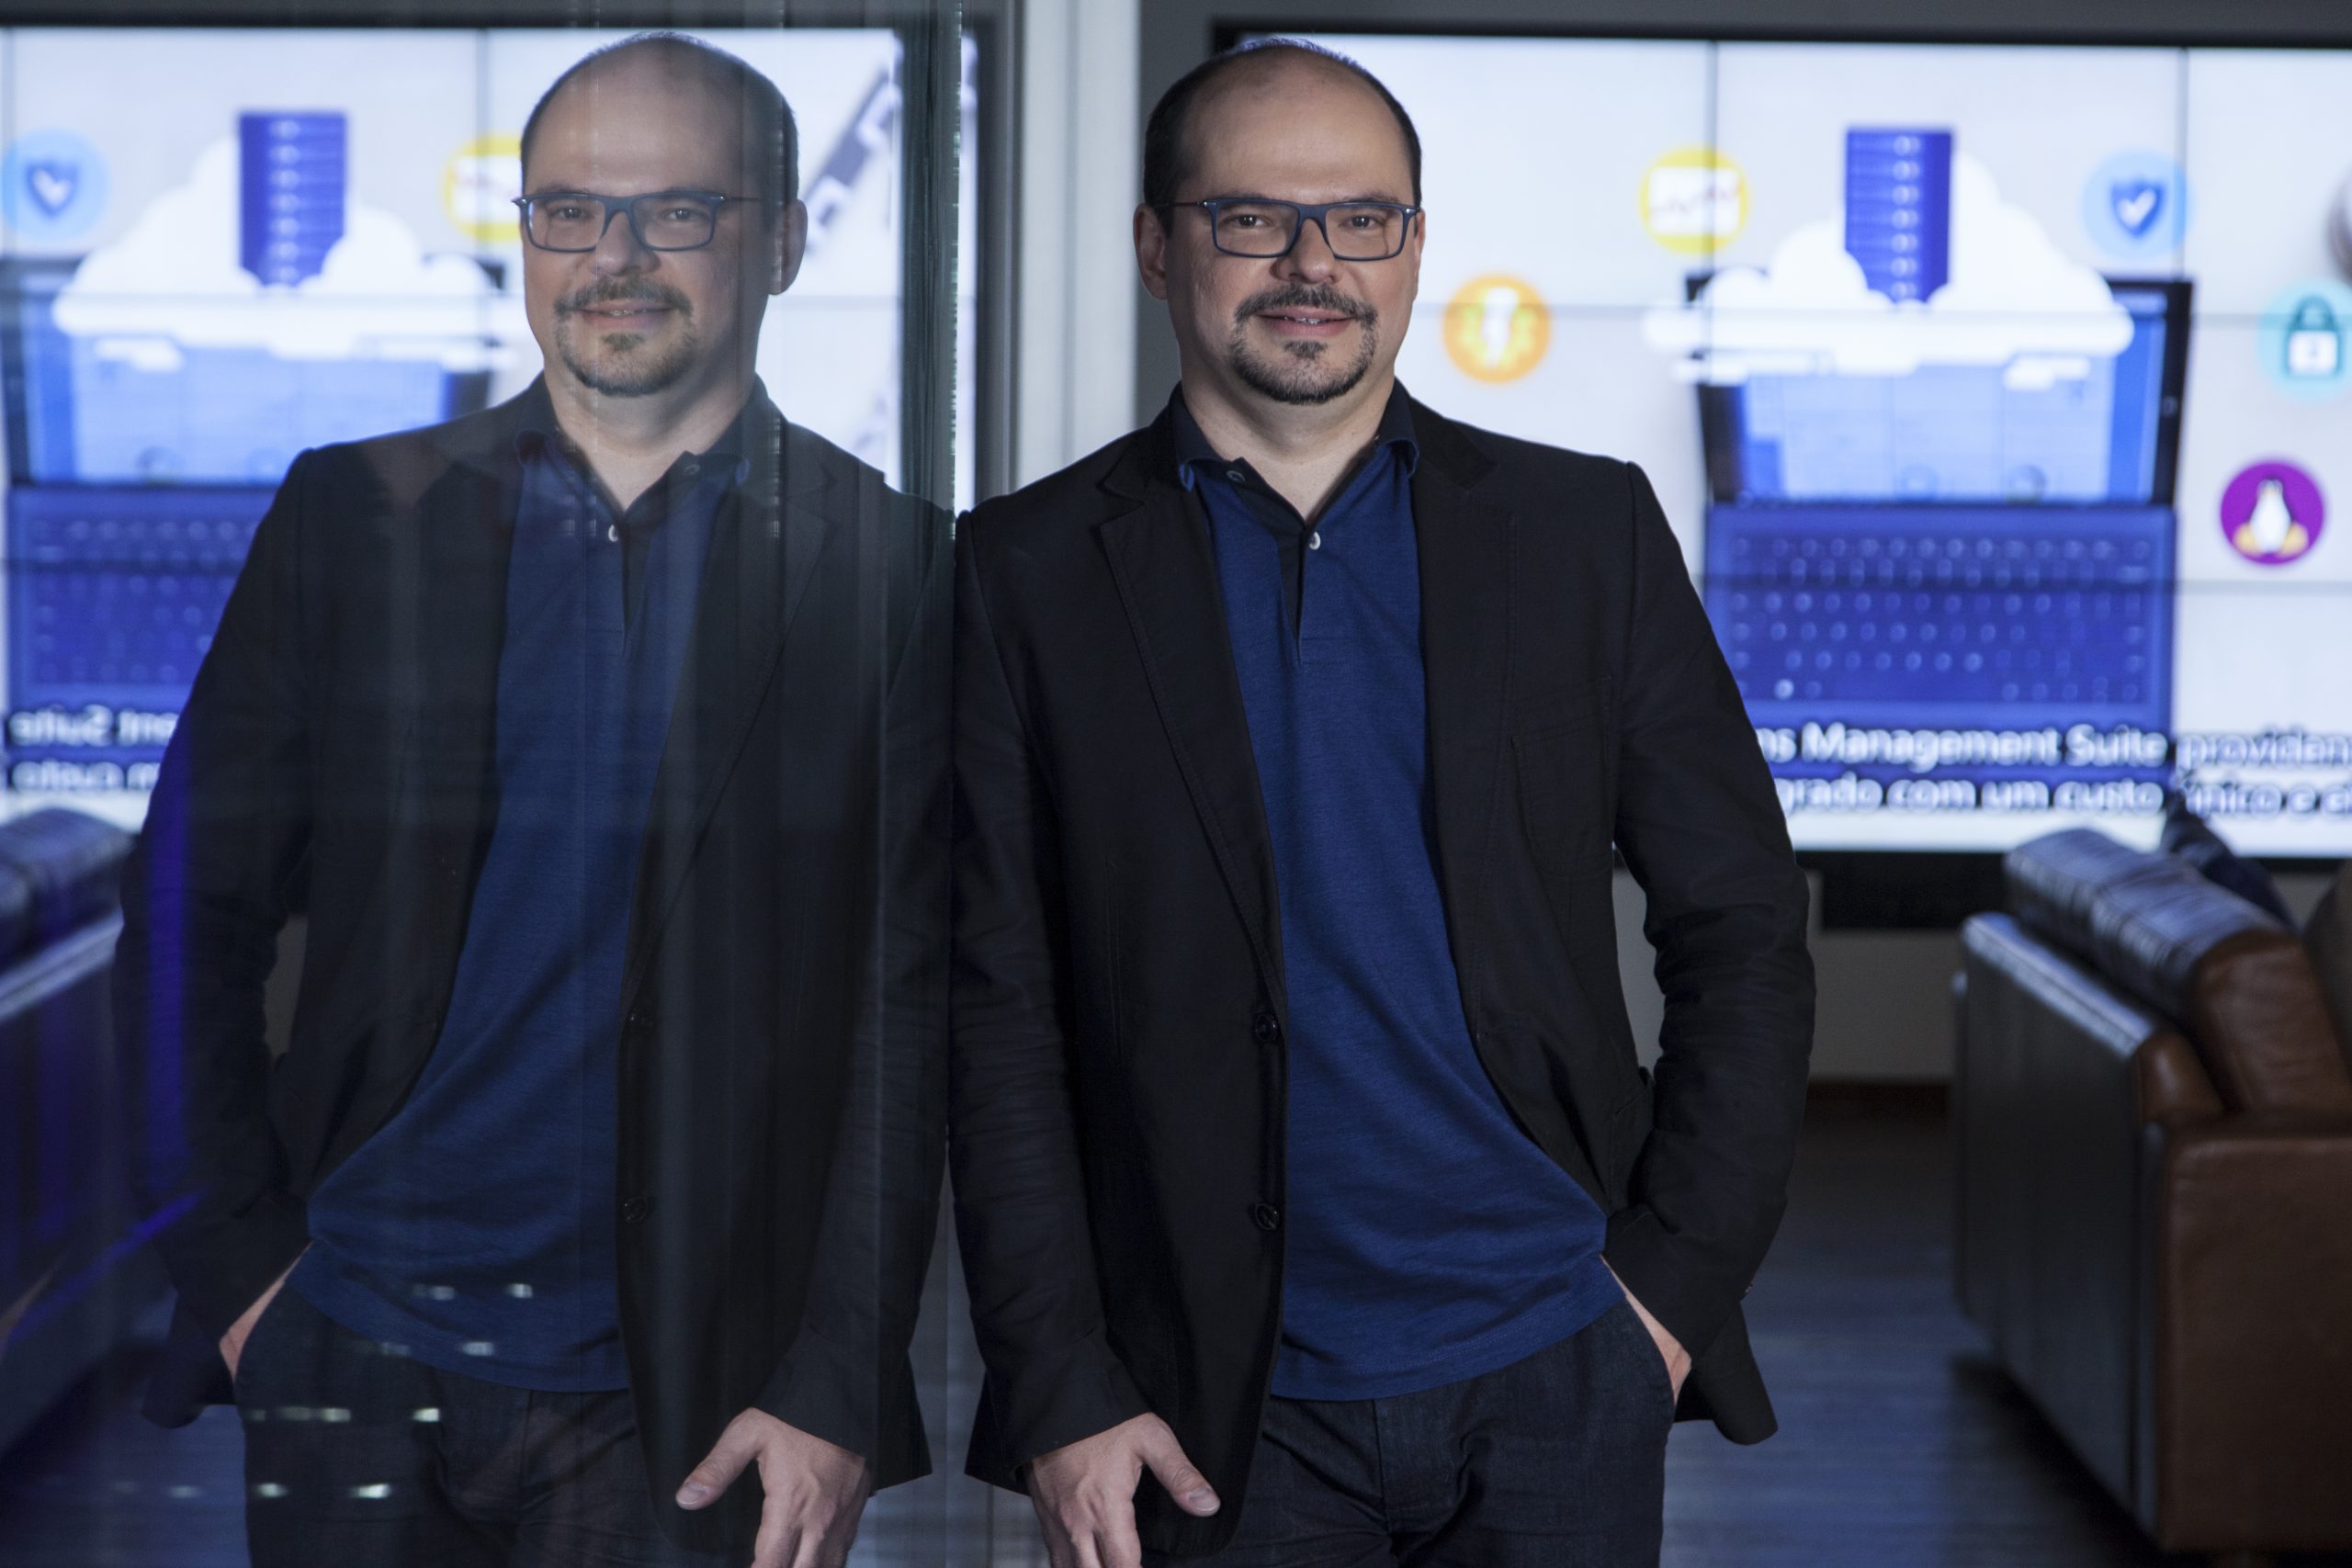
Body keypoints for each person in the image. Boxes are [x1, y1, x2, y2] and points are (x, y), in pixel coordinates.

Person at [949, 39, 1814, 1568]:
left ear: (1414, 248)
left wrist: (1668, 1295)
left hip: (1560, 1360)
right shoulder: (1025, 570)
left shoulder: (1582, 534)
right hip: (1205, 1404)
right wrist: (1061, 1383)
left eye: (1361, 219)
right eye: (1251, 218)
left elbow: (1741, 928)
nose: (1312, 264)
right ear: (1157, 247)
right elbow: (993, 1008)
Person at [115, 32, 948, 1568]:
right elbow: (185, 917)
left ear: (782, 238)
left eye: (676, 211)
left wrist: (833, 1379)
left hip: (696, 1395)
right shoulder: (351, 521)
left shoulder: (900, 567)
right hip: (351, 1342)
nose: (613, 257)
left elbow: (912, 1016)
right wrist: (241, 1281)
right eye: (569, 211)